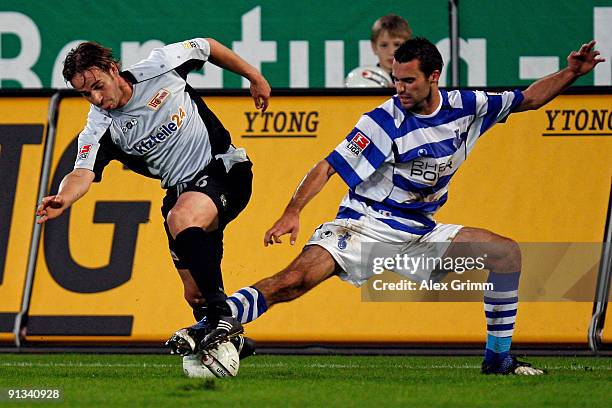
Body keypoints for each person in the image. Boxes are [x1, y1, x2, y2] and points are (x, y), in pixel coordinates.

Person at [167, 38, 604, 374]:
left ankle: (498, 359)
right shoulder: (382, 121)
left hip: (420, 230)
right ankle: (213, 323)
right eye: (396, 79)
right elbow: (327, 167)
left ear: (434, 76)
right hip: (364, 224)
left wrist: (572, 73)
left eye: (409, 80)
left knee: (506, 253)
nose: (400, 88)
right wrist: (292, 211)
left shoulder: (467, 106)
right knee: (294, 281)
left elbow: (530, 99)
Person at [35, 37, 271, 354]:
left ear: (112, 68)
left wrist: (254, 76)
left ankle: (224, 318)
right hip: (179, 193)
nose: (95, 98)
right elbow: (82, 172)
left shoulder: (161, 67)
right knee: (195, 294)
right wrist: (64, 197)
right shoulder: (100, 128)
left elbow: (208, 46)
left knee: (182, 217)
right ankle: (228, 344)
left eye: (97, 85)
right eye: (84, 94)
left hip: (224, 171)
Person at [345, 14, 412, 88]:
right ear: (374, 47)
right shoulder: (364, 82)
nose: (391, 52)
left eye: (397, 45)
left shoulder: (419, 83)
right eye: (384, 45)